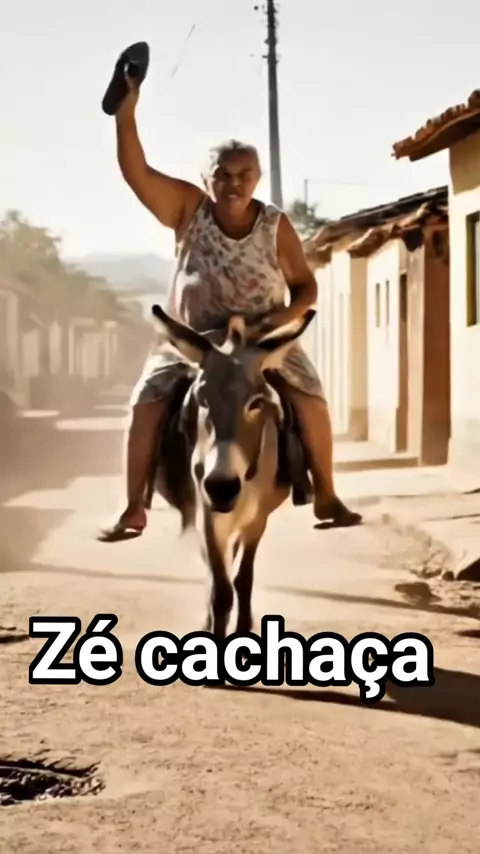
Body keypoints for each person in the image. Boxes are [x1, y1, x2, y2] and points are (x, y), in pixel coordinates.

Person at [98, 72, 362, 541]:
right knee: (146, 402)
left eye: (244, 175)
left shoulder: (275, 226)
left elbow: (306, 288)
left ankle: (326, 492)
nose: (233, 183)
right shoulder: (186, 209)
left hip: (261, 345)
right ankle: (133, 505)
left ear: (257, 179)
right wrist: (126, 114)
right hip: (193, 344)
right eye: (222, 174)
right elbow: (137, 172)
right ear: (207, 179)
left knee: (310, 398)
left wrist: (278, 319)